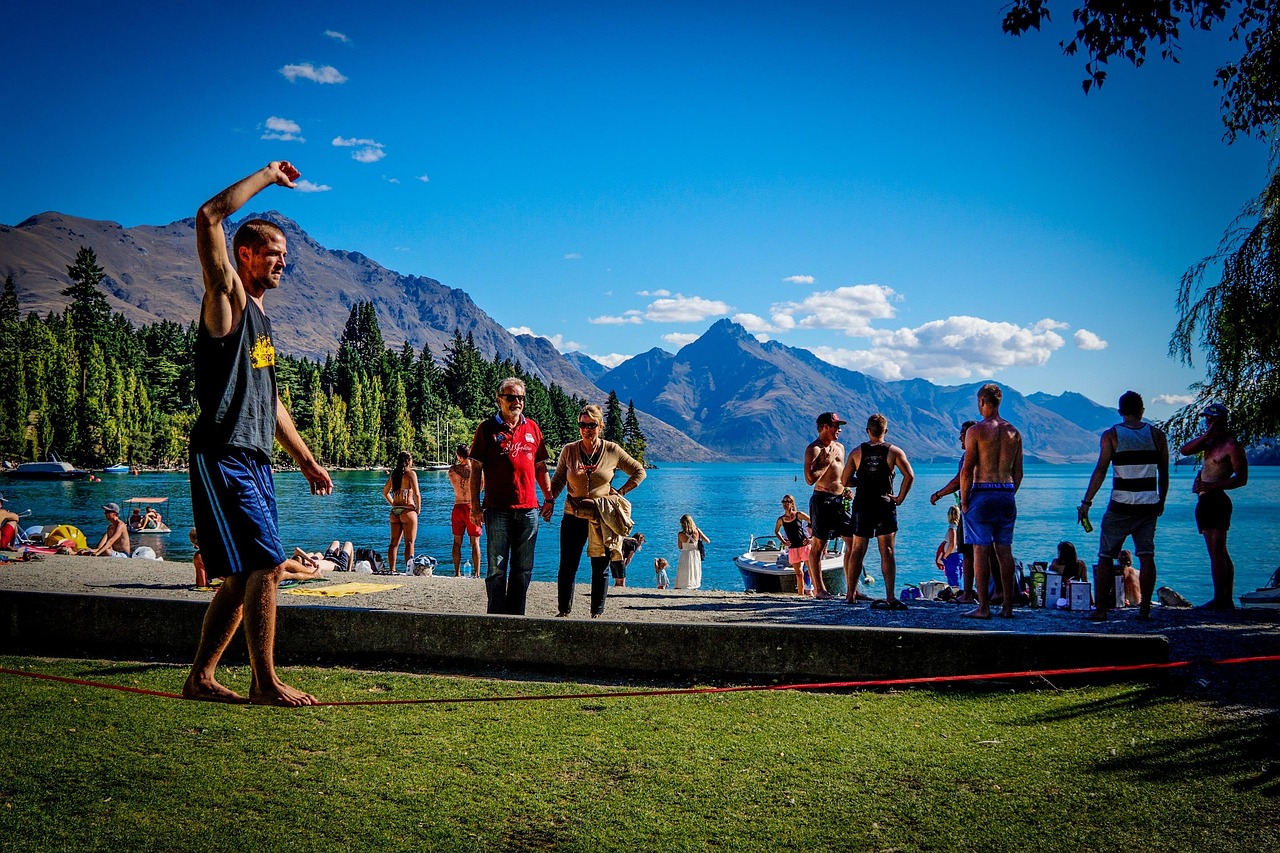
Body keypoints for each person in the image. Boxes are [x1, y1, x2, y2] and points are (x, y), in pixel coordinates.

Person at [182, 162, 333, 708]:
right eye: (275, 255)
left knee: (242, 576)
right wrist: (268, 175)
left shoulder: (264, 327)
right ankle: (264, 681)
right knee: (267, 566)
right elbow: (208, 216)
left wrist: (307, 459)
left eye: (286, 258)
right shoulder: (227, 300)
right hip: (221, 454)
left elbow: (269, 400)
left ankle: (200, 677)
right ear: (244, 254)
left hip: (255, 458)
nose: (283, 265)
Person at [547, 404, 645, 617]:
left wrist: (620, 493)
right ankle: (563, 611)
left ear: (601, 426)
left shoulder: (612, 450)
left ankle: (596, 613)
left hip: (602, 517)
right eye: (582, 425)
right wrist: (548, 500)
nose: (586, 429)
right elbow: (558, 481)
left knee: (600, 567)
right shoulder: (569, 450)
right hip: (572, 514)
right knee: (567, 566)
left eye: (591, 425)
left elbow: (639, 471)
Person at [1078, 390, 1169, 620]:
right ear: (1142, 411)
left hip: (1120, 504)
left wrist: (1086, 502)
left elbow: (1100, 470)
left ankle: (1100, 610)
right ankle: (1145, 607)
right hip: (1148, 504)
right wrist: (1162, 500)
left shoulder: (1112, 435)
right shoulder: (1157, 435)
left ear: (1120, 412)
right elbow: (1164, 473)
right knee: (1146, 555)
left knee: (1106, 556)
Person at [469, 377, 553, 615]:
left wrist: (549, 498)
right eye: (511, 397)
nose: (516, 401)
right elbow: (476, 469)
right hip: (497, 509)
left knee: (524, 568)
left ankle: (517, 617)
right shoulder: (487, 429)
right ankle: (496, 617)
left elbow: (540, 467)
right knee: (496, 568)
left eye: (520, 398)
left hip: (529, 510)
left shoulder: (533, 428)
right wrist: (475, 505)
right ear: (499, 400)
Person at [960, 383, 1023, 619]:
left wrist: (965, 501)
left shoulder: (976, 431)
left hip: (982, 493)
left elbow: (967, 470)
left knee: (980, 551)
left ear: (982, 402)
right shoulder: (1013, 432)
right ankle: (1008, 606)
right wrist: (1008, 493)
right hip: (1006, 493)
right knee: (1005, 551)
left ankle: (983, 607)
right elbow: (1019, 472)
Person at [1179, 402, 1249, 609]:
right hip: (1205, 500)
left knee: (1218, 551)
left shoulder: (1232, 446)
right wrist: (1207, 436)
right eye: (1207, 419)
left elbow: (1241, 478)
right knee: (1217, 551)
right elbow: (1185, 450)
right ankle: (1223, 598)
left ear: (1220, 420)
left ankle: (1223, 598)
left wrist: (1212, 485)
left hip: (1217, 500)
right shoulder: (1209, 443)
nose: (1207, 422)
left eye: (1211, 419)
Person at [841, 413, 915, 609]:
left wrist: (862, 482)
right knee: (888, 551)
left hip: (863, 504)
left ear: (867, 431)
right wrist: (900, 498)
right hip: (884, 504)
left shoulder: (857, 452)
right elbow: (909, 476)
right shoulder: (894, 452)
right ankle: (890, 596)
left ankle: (850, 595)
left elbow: (845, 481)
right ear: (885, 431)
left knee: (857, 550)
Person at [803, 412, 852, 601]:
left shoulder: (840, 447)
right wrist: (825, 462)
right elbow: (809, 479)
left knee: (853, 543)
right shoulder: (814, 449)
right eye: (835, 426)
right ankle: (819, 590)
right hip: (822, 500)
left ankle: (852, 589)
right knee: (818, 545)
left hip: (841, 501)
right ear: (824, 427)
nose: (839, 429)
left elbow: (842, 474)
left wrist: (846, 488)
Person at [930, 421, 979, 603]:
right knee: (984, 551)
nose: (960, 437)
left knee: (967, 552)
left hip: (970, 509)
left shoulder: (968, 456)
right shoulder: (987, 455)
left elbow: (959, 480)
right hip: (982, 507)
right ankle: (986, 592)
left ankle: (967, 594)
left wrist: (938, 494)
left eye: (963, 434)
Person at [382, 450, 421, 574]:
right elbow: (417, 493)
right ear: (409, 461)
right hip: (407, 510)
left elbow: (385, 492)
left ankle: (392, 569)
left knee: (394, 543)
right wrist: (418, 508)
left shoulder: (394, 475)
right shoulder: (411, 474)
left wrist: (393, 503)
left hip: (395, 512)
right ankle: (409, 570)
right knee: (409, 542)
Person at [448, 444, 482, 577]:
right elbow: (480, 488)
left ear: (459, 456)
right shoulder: (477, 470)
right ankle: (477, 573)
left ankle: (457, 573)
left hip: (458, 506)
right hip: (471, 506)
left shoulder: (452, 471)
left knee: (457, 541)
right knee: (475, 542)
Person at [774, 494, 812, 595]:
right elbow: (776, 531)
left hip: (804, 546)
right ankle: (801, 595)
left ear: (792, 503)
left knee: (811, 571)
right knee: (799, 574)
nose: (785, 503)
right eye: (784, 501)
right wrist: (783, 542)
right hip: (793, 549)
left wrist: (811, 539)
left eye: (788, 501)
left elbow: (813, 522)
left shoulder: (799, 515)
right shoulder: (781, 519)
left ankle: (818, 592)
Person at [675, 514, 709, 590]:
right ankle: (693, 587)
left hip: (685, 554)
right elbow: (708, 541)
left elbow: (680, 547)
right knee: (694, 571)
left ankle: (680, 586)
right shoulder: (697, 531)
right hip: (695, 554)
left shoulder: (680, 534)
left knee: (683, 571)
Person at [935, 505, 963, 587]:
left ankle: (955, 594)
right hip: (959, 554)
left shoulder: (952, 528)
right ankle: (960, 592)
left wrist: (945, 556)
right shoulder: (960, 527)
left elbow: (952, 543)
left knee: (953, 577)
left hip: (952, 555)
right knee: (959, 575)